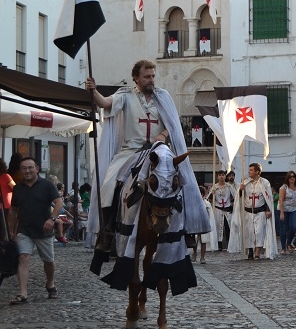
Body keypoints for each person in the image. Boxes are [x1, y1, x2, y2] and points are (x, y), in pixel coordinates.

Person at [84, 60, 209, 256]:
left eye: (153, 76)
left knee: (182, 180)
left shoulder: (163, 97)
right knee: (108, 183)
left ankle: (186, 229)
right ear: (136, 77)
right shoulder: (125, 95)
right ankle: (107, 232)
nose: (151, 80)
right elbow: (105, 103)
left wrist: (164, 135)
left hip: (158, 151)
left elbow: (173, 124)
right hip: (131, 150)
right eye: (147, 76)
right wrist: (93, 91)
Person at [7, 157, 62, 304]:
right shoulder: (17, 188)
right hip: (24, 230)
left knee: (48, 261)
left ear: (37, 168)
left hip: (44, 230)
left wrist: (52, 219)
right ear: (21, 170)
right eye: (24, 168)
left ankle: (50, 285)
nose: (27, 171)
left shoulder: (47, 185)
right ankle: (23, 293)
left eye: (30, 167)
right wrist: (11, 229)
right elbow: (13, 209)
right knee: (23, 258)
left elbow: (59, 202)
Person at [229, 163, 277, 260]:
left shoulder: (264, 183)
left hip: (260, 212)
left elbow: (268, 198)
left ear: (257, 172)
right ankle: (250, 252)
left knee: (259, 232)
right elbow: (239, 198)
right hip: (248, 212)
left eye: (251, 170)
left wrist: (268, 210)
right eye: (249, 169)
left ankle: (257, 253)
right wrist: (241, 190)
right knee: (249, 232)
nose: (248, 171)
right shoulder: (245, 183)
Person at [212, 170, 235, 252]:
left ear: (225, 176)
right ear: (217, 177)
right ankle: (219, 245)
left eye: (223, 175)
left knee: (229, 227)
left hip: (227, 209)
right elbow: (210, 199)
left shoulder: (229, 186)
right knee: (218, 227)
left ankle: (230, 245)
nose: (221, 177)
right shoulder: (214, 187)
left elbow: (235, 196)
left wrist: (233, 204)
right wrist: (212, 194)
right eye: (220, 175)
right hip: (218, 210)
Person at [278, 170, 296, 254]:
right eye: (290, 177)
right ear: (287, 178)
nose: (292, 178)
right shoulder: (284, 188)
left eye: (293, 176)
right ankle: (283, 248)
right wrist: (282, 212)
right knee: (283, 229)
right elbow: (281, 200)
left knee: (293, 227)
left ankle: (289, 243)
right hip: (284, 209)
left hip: (294, 209)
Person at [0, 158, 15, 241]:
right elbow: (15, 188)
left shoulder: (5, 176)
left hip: (4, 204)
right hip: (5, 205)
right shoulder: (6, 176)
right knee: (4, 227)